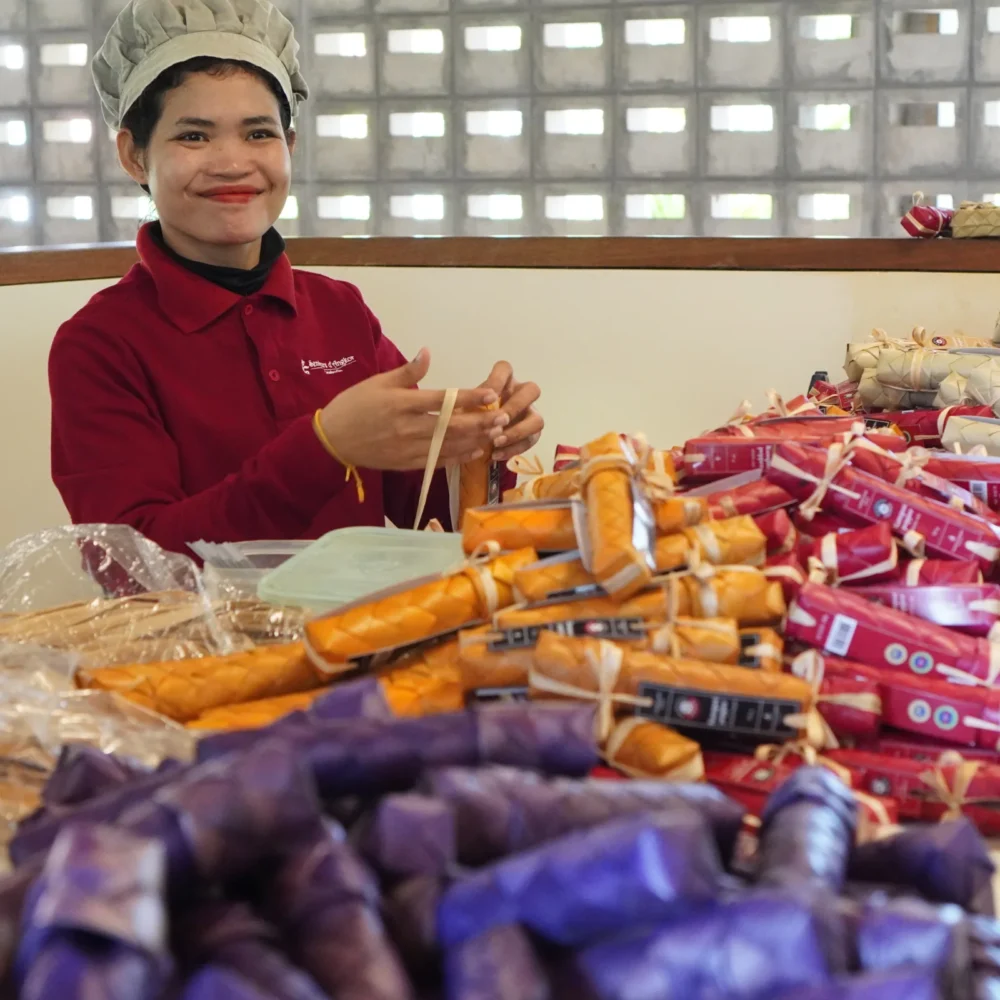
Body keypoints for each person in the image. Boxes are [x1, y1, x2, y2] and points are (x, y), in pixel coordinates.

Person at [48, 0, 543, 556]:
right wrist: (324, 447)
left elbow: (424, 510)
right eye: (194, 136)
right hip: (208, 643)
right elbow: (131, 562)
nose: (233, 163)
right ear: (135, 156)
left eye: (259, 133)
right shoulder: (99, 344)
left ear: (291, 147)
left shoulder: (339, 310)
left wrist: (481, 448)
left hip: (362, 634)